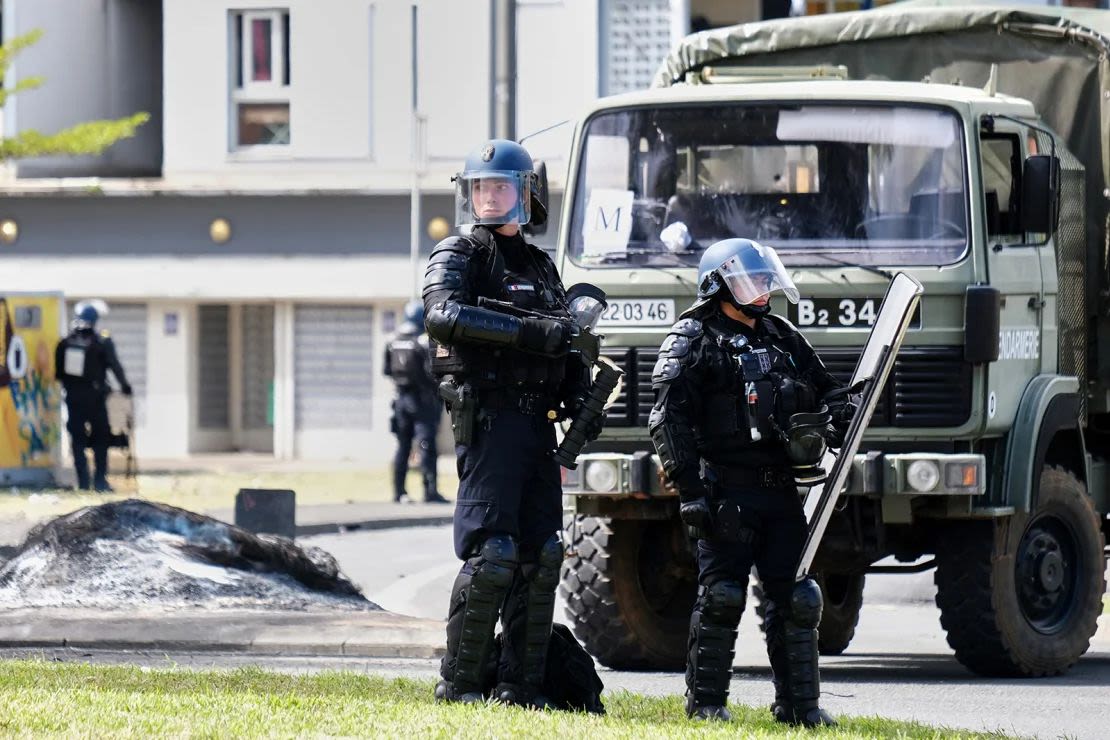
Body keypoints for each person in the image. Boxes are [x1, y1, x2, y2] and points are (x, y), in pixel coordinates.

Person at [648, 238, 855, 727]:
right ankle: (706, 705)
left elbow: (828, 391)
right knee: (721, 597)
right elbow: (667, 420)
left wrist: (841, 412)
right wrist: (691, 493)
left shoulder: (781, 335)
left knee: (799, 599)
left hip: (782, 490)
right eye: (750, 280)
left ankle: (800, 707)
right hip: (726, 492)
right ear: (718, 284)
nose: (761, 289)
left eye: (765, 279)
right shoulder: (692, 338)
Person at [422, 139, 591, 707]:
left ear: (527, 195)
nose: (488, 197)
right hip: (490, 422)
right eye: (480, 188)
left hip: (540, 426)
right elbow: (442, 315)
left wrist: (579, 388)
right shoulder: (460, 253)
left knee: (543, 553)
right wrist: (527, 331)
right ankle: (460, 686)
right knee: (493, 555)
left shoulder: (542, 267)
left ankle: (523, 687)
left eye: (500, 187)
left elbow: (564, 338)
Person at [54, 300, 132, 492]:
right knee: (100, 439)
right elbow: (114, 366)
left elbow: (58, 374)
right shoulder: (101, 343)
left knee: (78, 441)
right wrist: (125, 386)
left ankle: (83, 483)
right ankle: (100, 481)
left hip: (73, 399)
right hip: (96, 399)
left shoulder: (64, 343)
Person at [383, 299, 448, 504]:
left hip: (401, 401)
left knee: (402, 447)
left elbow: (386, 371)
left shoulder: (393, 341)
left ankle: (398, 491)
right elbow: (432, 373)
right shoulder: (422, 342)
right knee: (426, 446)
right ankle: (430, 492)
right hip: (423, 403)